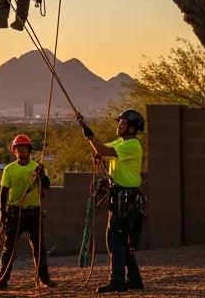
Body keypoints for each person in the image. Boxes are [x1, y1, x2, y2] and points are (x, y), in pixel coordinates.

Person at [77, 109, 146, 293]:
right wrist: (95, 146)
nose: (120, 125)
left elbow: (103, 150)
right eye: (120, 122)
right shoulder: (121, 142)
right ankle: (134, 279)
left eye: (123, 123)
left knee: (114, 238)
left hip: (125, 199)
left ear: (132, 128)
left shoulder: (132, 145)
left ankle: (117, 280)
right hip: (122, 197)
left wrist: (89, 134)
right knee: (122, 240)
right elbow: (101, 149)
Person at [0, 133, 55, 290]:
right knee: (9, 248)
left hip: (34, 212)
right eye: (18, 148)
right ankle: (2, 280)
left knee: (39, 248)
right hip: (15, 212)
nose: (20, 150)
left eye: (23, 147)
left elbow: (46, 186)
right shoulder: (9, 169)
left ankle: (45, 279)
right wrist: (2, 211)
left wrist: (42, 175)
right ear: (14, 151)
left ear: (29, 150)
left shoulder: (37, 167)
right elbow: (3, 192)